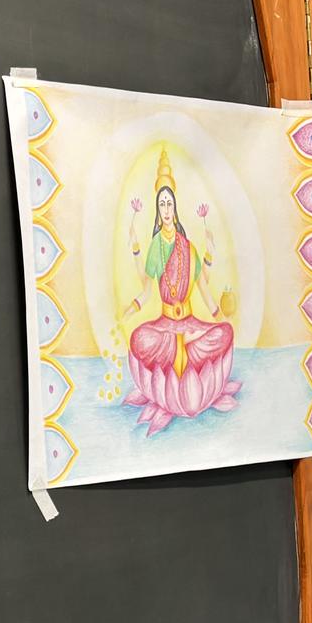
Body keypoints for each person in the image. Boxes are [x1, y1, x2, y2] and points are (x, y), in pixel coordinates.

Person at [121, 146, 238, 433]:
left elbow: (203, 289)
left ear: (175, 208)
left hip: (191, 324)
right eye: (161, 204)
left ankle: (185, 360)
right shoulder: (154, 248)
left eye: (169, 204)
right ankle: (186, 363)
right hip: (164, 328)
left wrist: (218, 313)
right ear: (157, 210)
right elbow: (147, 291)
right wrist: (130, 309)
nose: (166, 209)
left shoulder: (188, 248)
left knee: (224, 333)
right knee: (139, 338)